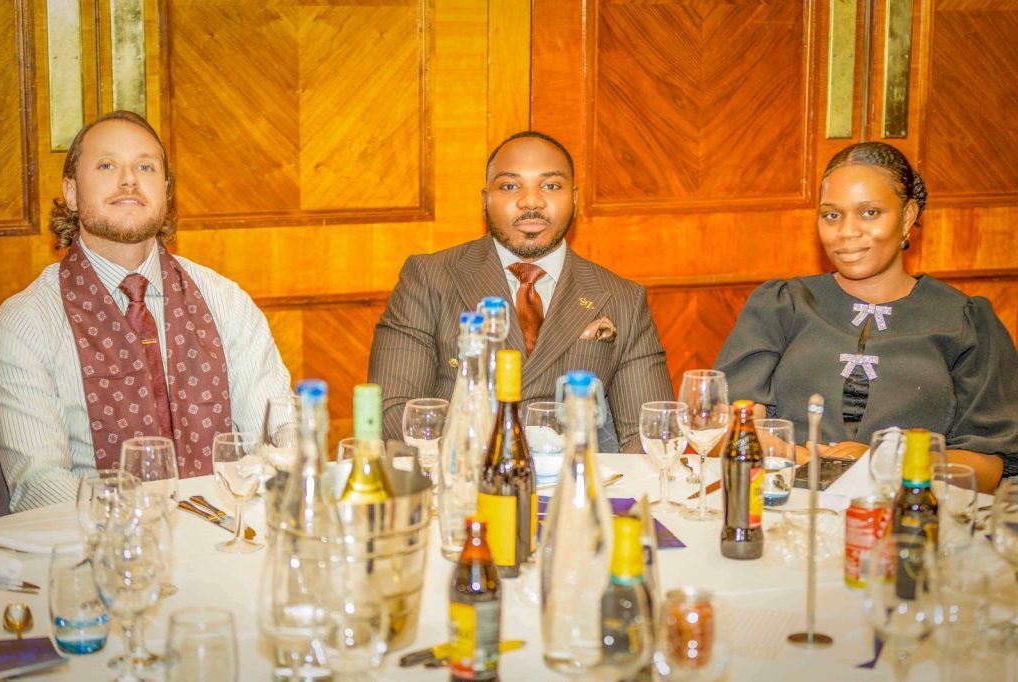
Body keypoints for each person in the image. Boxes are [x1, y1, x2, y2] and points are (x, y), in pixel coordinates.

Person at [0, 111, 291, 512]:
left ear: (165, 191)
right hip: (96, 542)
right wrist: (144, 522)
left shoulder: (226, 302)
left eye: (146, 167)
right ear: (72, 192)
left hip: (224, 531)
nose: (129, 180)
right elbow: (38, 486)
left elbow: (276, 439)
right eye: (106, 165)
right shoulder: (25, 323)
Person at [715, 142, 1018, 492]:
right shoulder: (782, 305)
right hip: (787, 504)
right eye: (832, 215)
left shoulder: (966, 321)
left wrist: (883, 463)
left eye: (870, 212)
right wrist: (787, 452)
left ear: (907, 216)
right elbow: (727, 428)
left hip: (909, 512)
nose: (847, 231)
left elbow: (986, 467)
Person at [368, 131, 673, 452]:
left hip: (570, 477)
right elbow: (393, 414)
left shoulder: (622, 298)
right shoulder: (429, 278)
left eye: (550, 186)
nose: (531, 201)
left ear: (574, 198)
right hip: (460, 473)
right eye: (510, 186)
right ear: (485, 199)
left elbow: (650, 435)